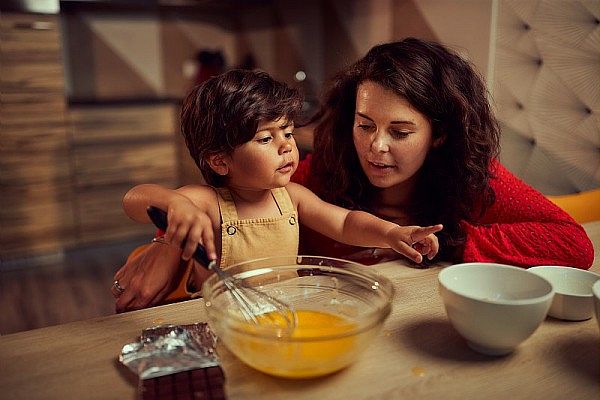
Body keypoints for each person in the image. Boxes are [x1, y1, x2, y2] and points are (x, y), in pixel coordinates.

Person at [113, 37, 594, 312]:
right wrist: (164, 246)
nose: (375, 148)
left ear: (440, 134)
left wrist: (447, 243)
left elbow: (573, 245)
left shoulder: (472, 176)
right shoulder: (321, 169)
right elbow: (217, 207)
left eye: (400, 131)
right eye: (365, 125)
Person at [114, 68, 442, 309]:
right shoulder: (208, 202)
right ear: (219, 161)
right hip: (223, 319)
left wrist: (391, 233)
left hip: (288, 310)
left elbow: (344, 223)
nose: (286, 146)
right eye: (266, 139)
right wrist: (175, 203)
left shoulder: (292, 198)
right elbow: (135, 199)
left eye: (287, 132)